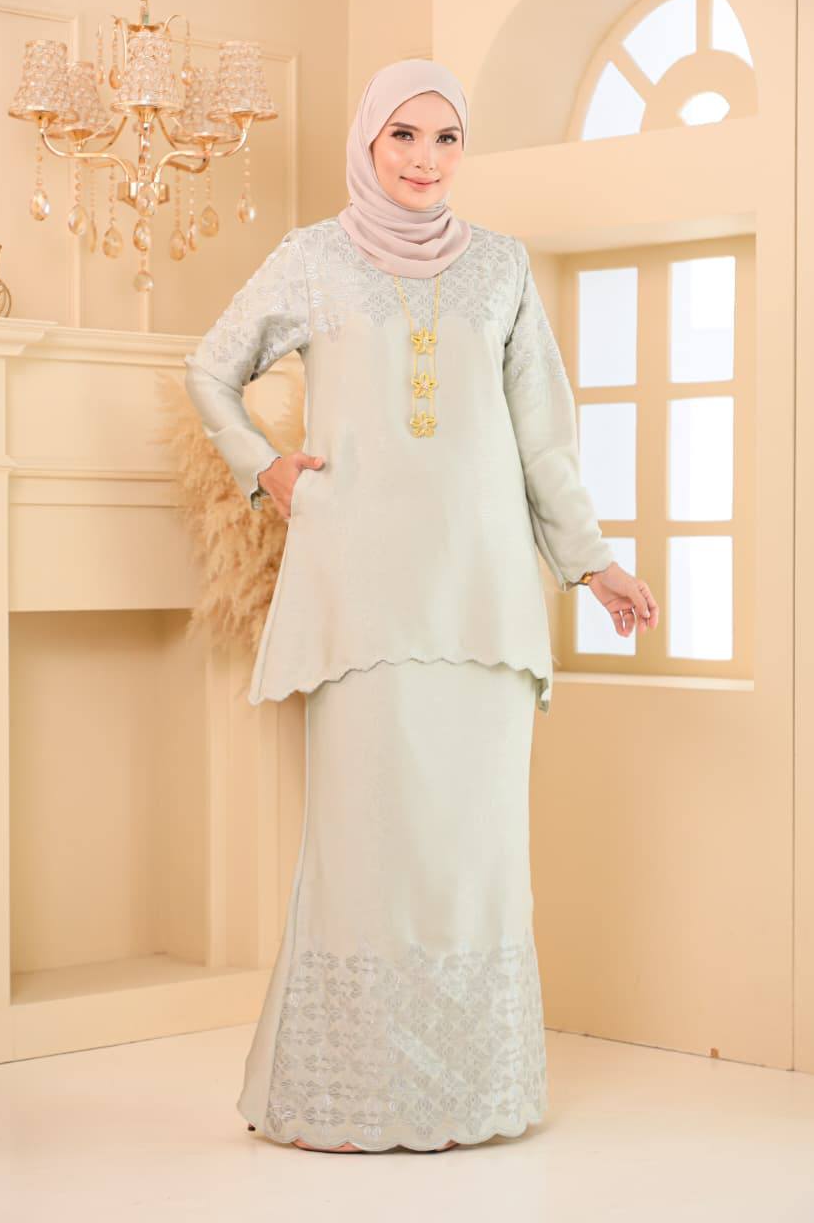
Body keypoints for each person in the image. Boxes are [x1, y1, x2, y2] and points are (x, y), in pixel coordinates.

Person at [184, 58, 660, 1155]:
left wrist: (591, 563)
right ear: (367, 141)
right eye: (402, 134)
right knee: (363, 850)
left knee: (472, 854)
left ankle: (469, 1094)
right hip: (361, 601)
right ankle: (350, 1097)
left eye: (446, 137)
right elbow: (211, 370)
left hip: (485, 602)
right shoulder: (311, 258)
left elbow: (542, 437)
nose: (424, 158)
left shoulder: (500, 267)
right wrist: (266, 467)